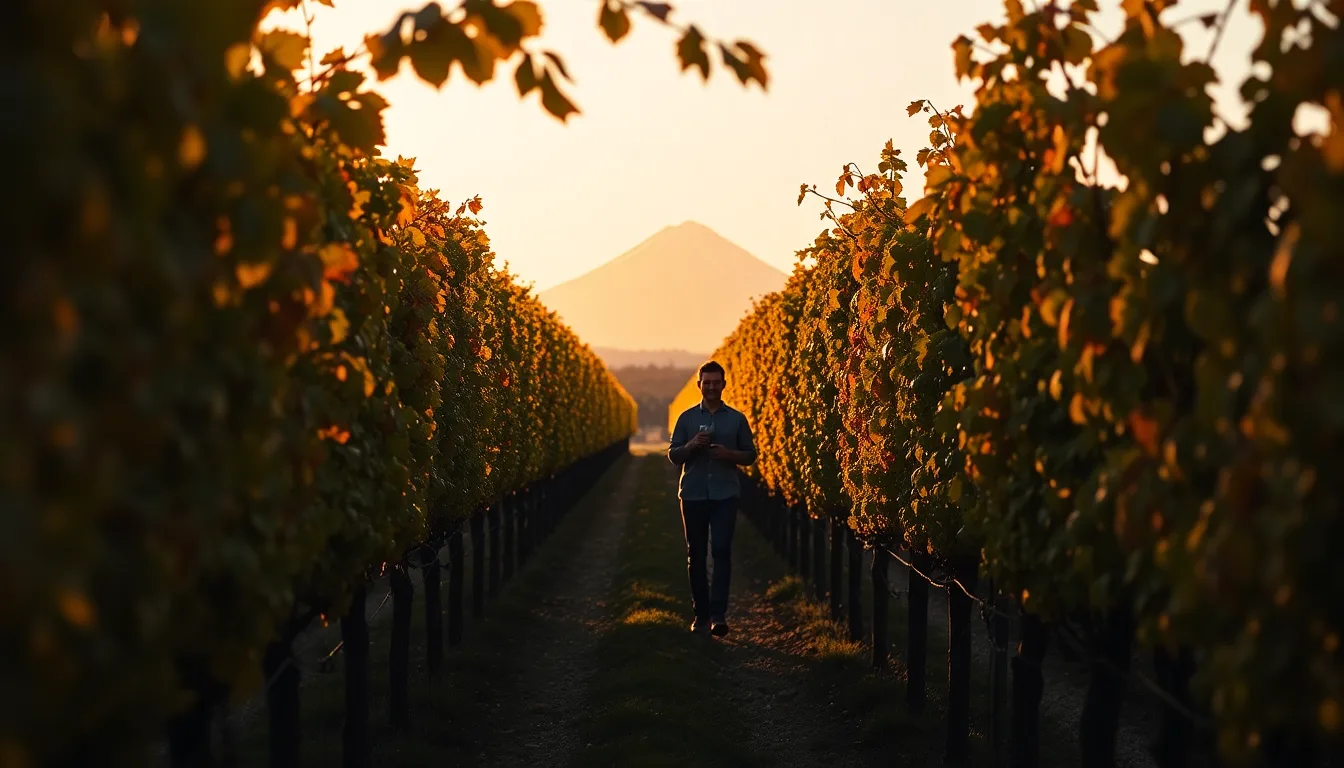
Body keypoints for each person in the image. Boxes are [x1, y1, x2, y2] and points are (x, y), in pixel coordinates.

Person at [667, 361, 757, 636]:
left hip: (725, 494)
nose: (711, 387)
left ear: (724, 384)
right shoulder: (686, 419)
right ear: (699, 385)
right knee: (695, 555)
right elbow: (673, 455)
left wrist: (728, 455)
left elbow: (750, 455)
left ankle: (718, 615)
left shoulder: (737, 419)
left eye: (716, 382)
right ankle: (701, 615)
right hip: (692, 494)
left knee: (721, 550)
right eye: (707, 383)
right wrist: (692, 445)